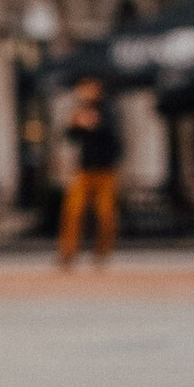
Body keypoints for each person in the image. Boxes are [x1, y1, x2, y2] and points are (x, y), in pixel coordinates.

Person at [55, 71, 123, 267]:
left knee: (105, 214)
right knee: (73, 211)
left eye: (87, 88)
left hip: (105, 169)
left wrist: (95, 124)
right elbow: (70, 136)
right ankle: (67, 252)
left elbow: (113, 136)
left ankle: (102, 252)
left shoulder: (108, 108)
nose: (83, 92)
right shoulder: (79, 110)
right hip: (84, 168)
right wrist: (75, 124)